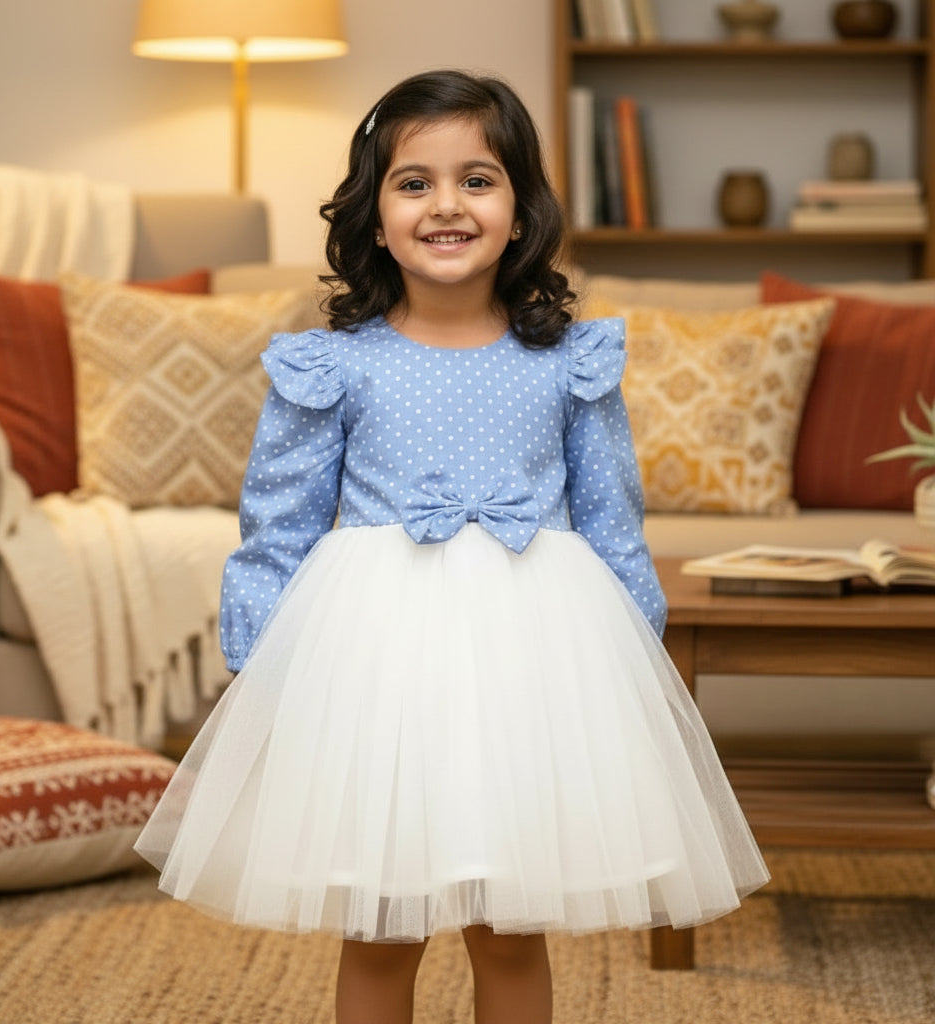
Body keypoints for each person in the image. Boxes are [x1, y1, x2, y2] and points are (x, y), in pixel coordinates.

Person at [135, 69, 768, 1024]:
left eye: (477, 179)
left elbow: (610, 521)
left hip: (533, 669)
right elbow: (278, 527)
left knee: (510, 928)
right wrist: (267, 664)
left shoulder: (569, 363)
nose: (446, 204)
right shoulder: (331, 365)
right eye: (414, 181)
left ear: (520, 212)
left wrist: (632, 663)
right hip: (376, 674)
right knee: (382, 924)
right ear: (374, 214)